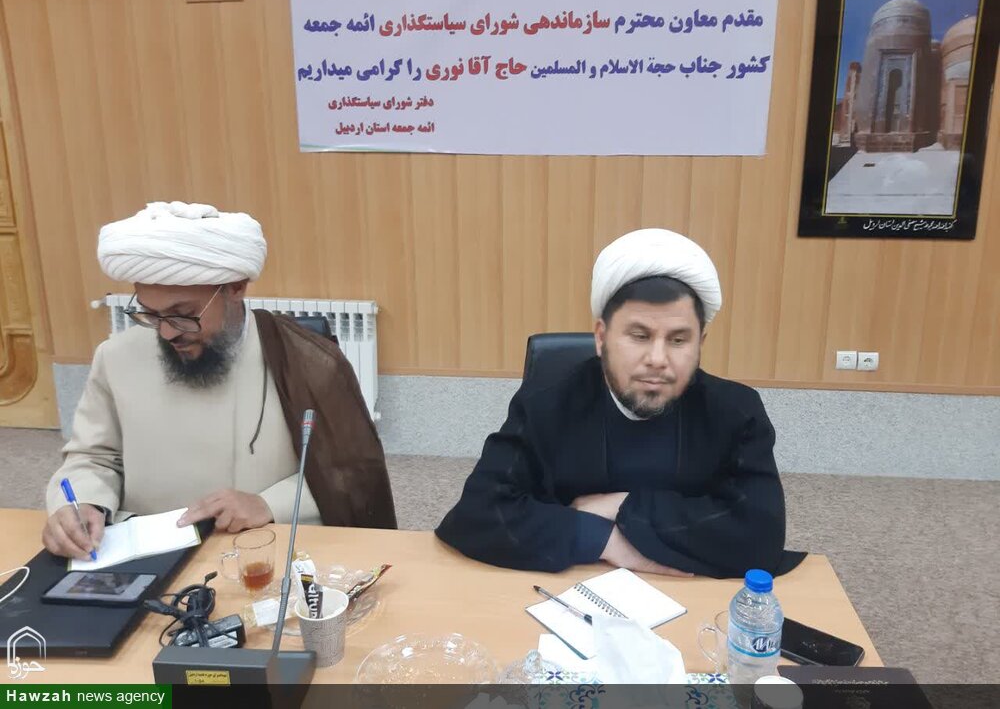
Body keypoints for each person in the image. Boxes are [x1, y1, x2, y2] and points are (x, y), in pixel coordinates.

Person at [436, 228, 805, 578]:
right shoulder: (547, 402)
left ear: (700, 344)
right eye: (639, 336)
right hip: (569, 589)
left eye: (678, 340)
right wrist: (605, 540)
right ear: (602, 338)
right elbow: (478, 513)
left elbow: (760, 535)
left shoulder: (736, 412)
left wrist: (620, 505)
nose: (658, 359)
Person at [43, 201, 395, 560]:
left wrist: (268, 504)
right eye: (150, 314)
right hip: (146, 555)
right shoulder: (116, 357)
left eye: (183, 314)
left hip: (265, 551)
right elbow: (93, 457)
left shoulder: (308, 362)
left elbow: (353, 475)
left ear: (236, 288)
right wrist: (83, 502)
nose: (166, 332)